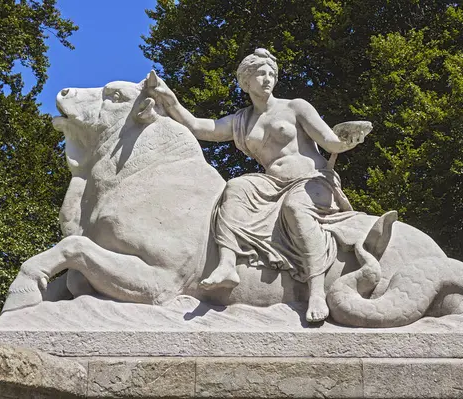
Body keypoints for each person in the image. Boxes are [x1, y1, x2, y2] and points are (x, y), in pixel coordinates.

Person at [148, 48, 369, 322]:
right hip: (271, 183)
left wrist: (348, 140)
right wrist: (170, 100)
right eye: (260, 74)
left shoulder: (295, 107)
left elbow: (329, 141)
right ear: (246, 81)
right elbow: (199, 127)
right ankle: (228, 265)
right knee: (236, 187)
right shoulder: (243, 120)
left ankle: (316, 290)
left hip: (312, 181)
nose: (267, 79)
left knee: (294, 208)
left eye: (271, 74)